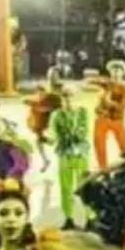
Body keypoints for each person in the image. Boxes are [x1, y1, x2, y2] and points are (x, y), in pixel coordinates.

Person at [46, 86, 91, 230]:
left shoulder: (82, 112)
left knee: (85, 185)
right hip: (65, 153)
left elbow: (84, 131)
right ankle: (68, 218)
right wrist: (52, 139)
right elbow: (53, 132)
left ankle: (90, 218)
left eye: (71, 97)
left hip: (80, 153)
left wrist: (73, 134)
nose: (68, 100)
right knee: (66, 187)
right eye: (65, 97)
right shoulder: (57, 115)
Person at [89, 59, 125, 171]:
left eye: (118, 71)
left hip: (117, 120)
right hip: (102, 119)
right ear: (110, 72)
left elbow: (121, 107)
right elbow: (90, 81)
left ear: (122, 73)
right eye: (114, 70)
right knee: (99, 143)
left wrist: (108, 101)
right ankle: (102, 168)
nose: (116, 73)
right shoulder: (106, 84)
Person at [24, 66, 65, 173]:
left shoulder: (60, 88)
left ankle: (59, 159)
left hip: (54, 115)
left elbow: (60, 104)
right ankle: (45, 160)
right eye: (50, 75)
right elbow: (39, 99)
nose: (52, 77)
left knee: (53, 140)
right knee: (39, 140)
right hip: (43, 117)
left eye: (54, 75)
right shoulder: (45, 88)